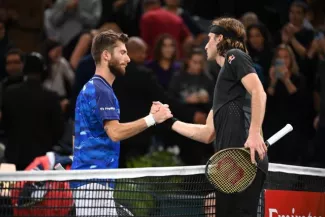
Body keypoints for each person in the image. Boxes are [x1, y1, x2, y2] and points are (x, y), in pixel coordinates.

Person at [154, 17, 268, 217]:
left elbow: (259, 92)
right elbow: (207, 133)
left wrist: (254, 133)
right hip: (230, 164)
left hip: (244, 159)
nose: (206, 45)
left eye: (209, 39)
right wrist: (170, 121)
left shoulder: (235, 56)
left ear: (220, 38)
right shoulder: (226, 83)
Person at [70, 30, 172, 216]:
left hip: (92, 181)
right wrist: (152, 120)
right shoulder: (102, 90)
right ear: (107, 55)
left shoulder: (93, 87)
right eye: (123, 53)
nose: (128, 59)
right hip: (94, 184)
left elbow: (75, 137)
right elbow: (115, 133)